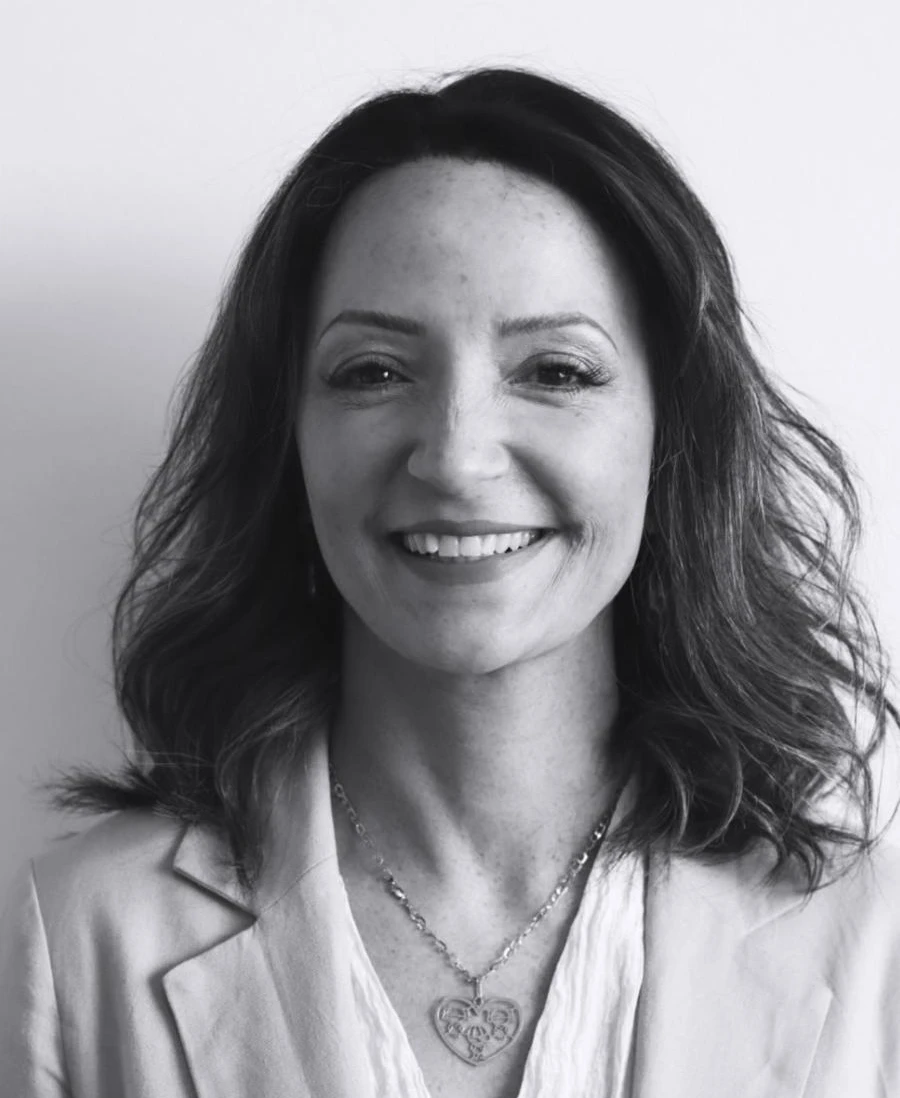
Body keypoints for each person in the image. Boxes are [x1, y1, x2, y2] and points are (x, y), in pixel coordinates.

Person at [2, 64, 899, 1098]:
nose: (457, 459)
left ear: (670, 435)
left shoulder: (874, 946)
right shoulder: (85, 937)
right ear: (286, 437)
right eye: (374, 371)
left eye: (556, 371)